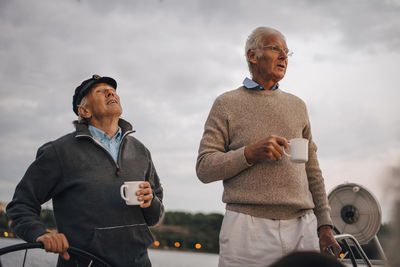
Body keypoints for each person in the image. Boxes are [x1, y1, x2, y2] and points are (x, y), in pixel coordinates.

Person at [196, 27, 341, 266]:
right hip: (246, 229)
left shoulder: (298, 106)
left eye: (286, 52)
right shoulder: (225, 104)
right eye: (275, 48)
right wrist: (249, 153)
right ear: (252, 56)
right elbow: (204, 168)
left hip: (303, 228)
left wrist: (325, 225)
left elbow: (312, 170)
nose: (284, 56)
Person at [6, 74, 164, 267]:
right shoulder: (60, 152)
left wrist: (151, 202)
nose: (110, 92)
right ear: (85, 111)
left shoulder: (141, 151)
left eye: (112, 90)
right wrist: (39, 233)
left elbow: (154, 217)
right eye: (100, 91)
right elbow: (20, 204)